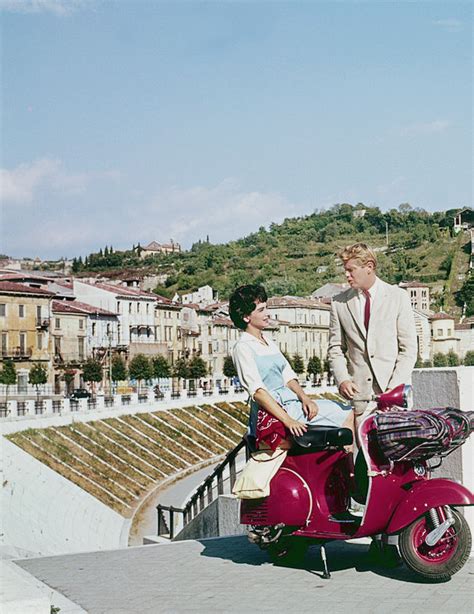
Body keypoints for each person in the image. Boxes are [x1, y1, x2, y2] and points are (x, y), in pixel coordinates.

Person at [229, 284, 353, 450]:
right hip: (275, 412)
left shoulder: (268, 342)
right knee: (348, 414)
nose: (267, 314)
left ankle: (347, 466)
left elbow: (288, 376)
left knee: (347, 411)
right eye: (260, 310)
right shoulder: (243, 347)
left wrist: (305, 398)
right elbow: (258, 392)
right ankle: (351, 470)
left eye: (266, 308)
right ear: (246, 317)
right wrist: (288, 420)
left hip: (292, 404)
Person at [328, 243, 417, 428]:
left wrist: (393, 389)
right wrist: (343, 379)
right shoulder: (339, 303)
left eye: (351, 270)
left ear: (369, 266)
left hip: (395, 397)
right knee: (365, 456)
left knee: (397, 455)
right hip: (360, 398)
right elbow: (335, 348)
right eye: (345, 270)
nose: (346, 275)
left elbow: (408, 349)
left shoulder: (398, 297)